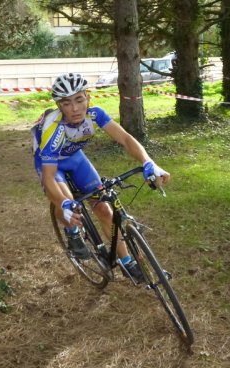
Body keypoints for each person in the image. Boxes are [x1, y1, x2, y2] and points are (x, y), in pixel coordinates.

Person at [32, 72, 170, 283]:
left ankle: (127, 264)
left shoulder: (94, 114)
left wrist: (148, 162)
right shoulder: (54, 130)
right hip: (51, 164)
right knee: (69, 203)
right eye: (67, 103)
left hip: (75, 158)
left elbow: (125, 138)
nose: (75, 108)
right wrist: (63, 203)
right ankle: (72, 232)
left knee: (105, 209)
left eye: (79, 99)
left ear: (87, 97)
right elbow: (49, 178)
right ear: (60, 106)